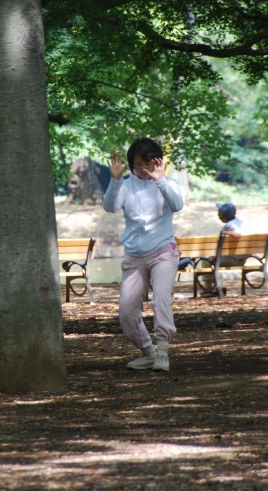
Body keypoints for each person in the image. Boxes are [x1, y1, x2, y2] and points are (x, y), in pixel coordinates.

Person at [103, 138, 183, 372]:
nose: (143, 169)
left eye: (148, 164)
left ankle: (162, 351)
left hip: (163, 252)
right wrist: (115, 180)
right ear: (131, 164)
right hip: (134, 255)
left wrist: (160, 180)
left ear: (157, 162)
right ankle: (147, 352)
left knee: (160, 298)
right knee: (127, 312)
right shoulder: (126, 185)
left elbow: (177, 205)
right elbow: (110, 207)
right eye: (138, 164)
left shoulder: (169, 183)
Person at [199, 202, 246, 295]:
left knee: (206, 259)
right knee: (211, 257)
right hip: (243, 259)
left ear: (224, 217)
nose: (217, 214)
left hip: (232, 259)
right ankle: (213, 287)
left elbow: (237, 234)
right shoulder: (242, 222)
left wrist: (224, 232)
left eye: (219, 213)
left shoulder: (229, 226)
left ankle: (209, 288)